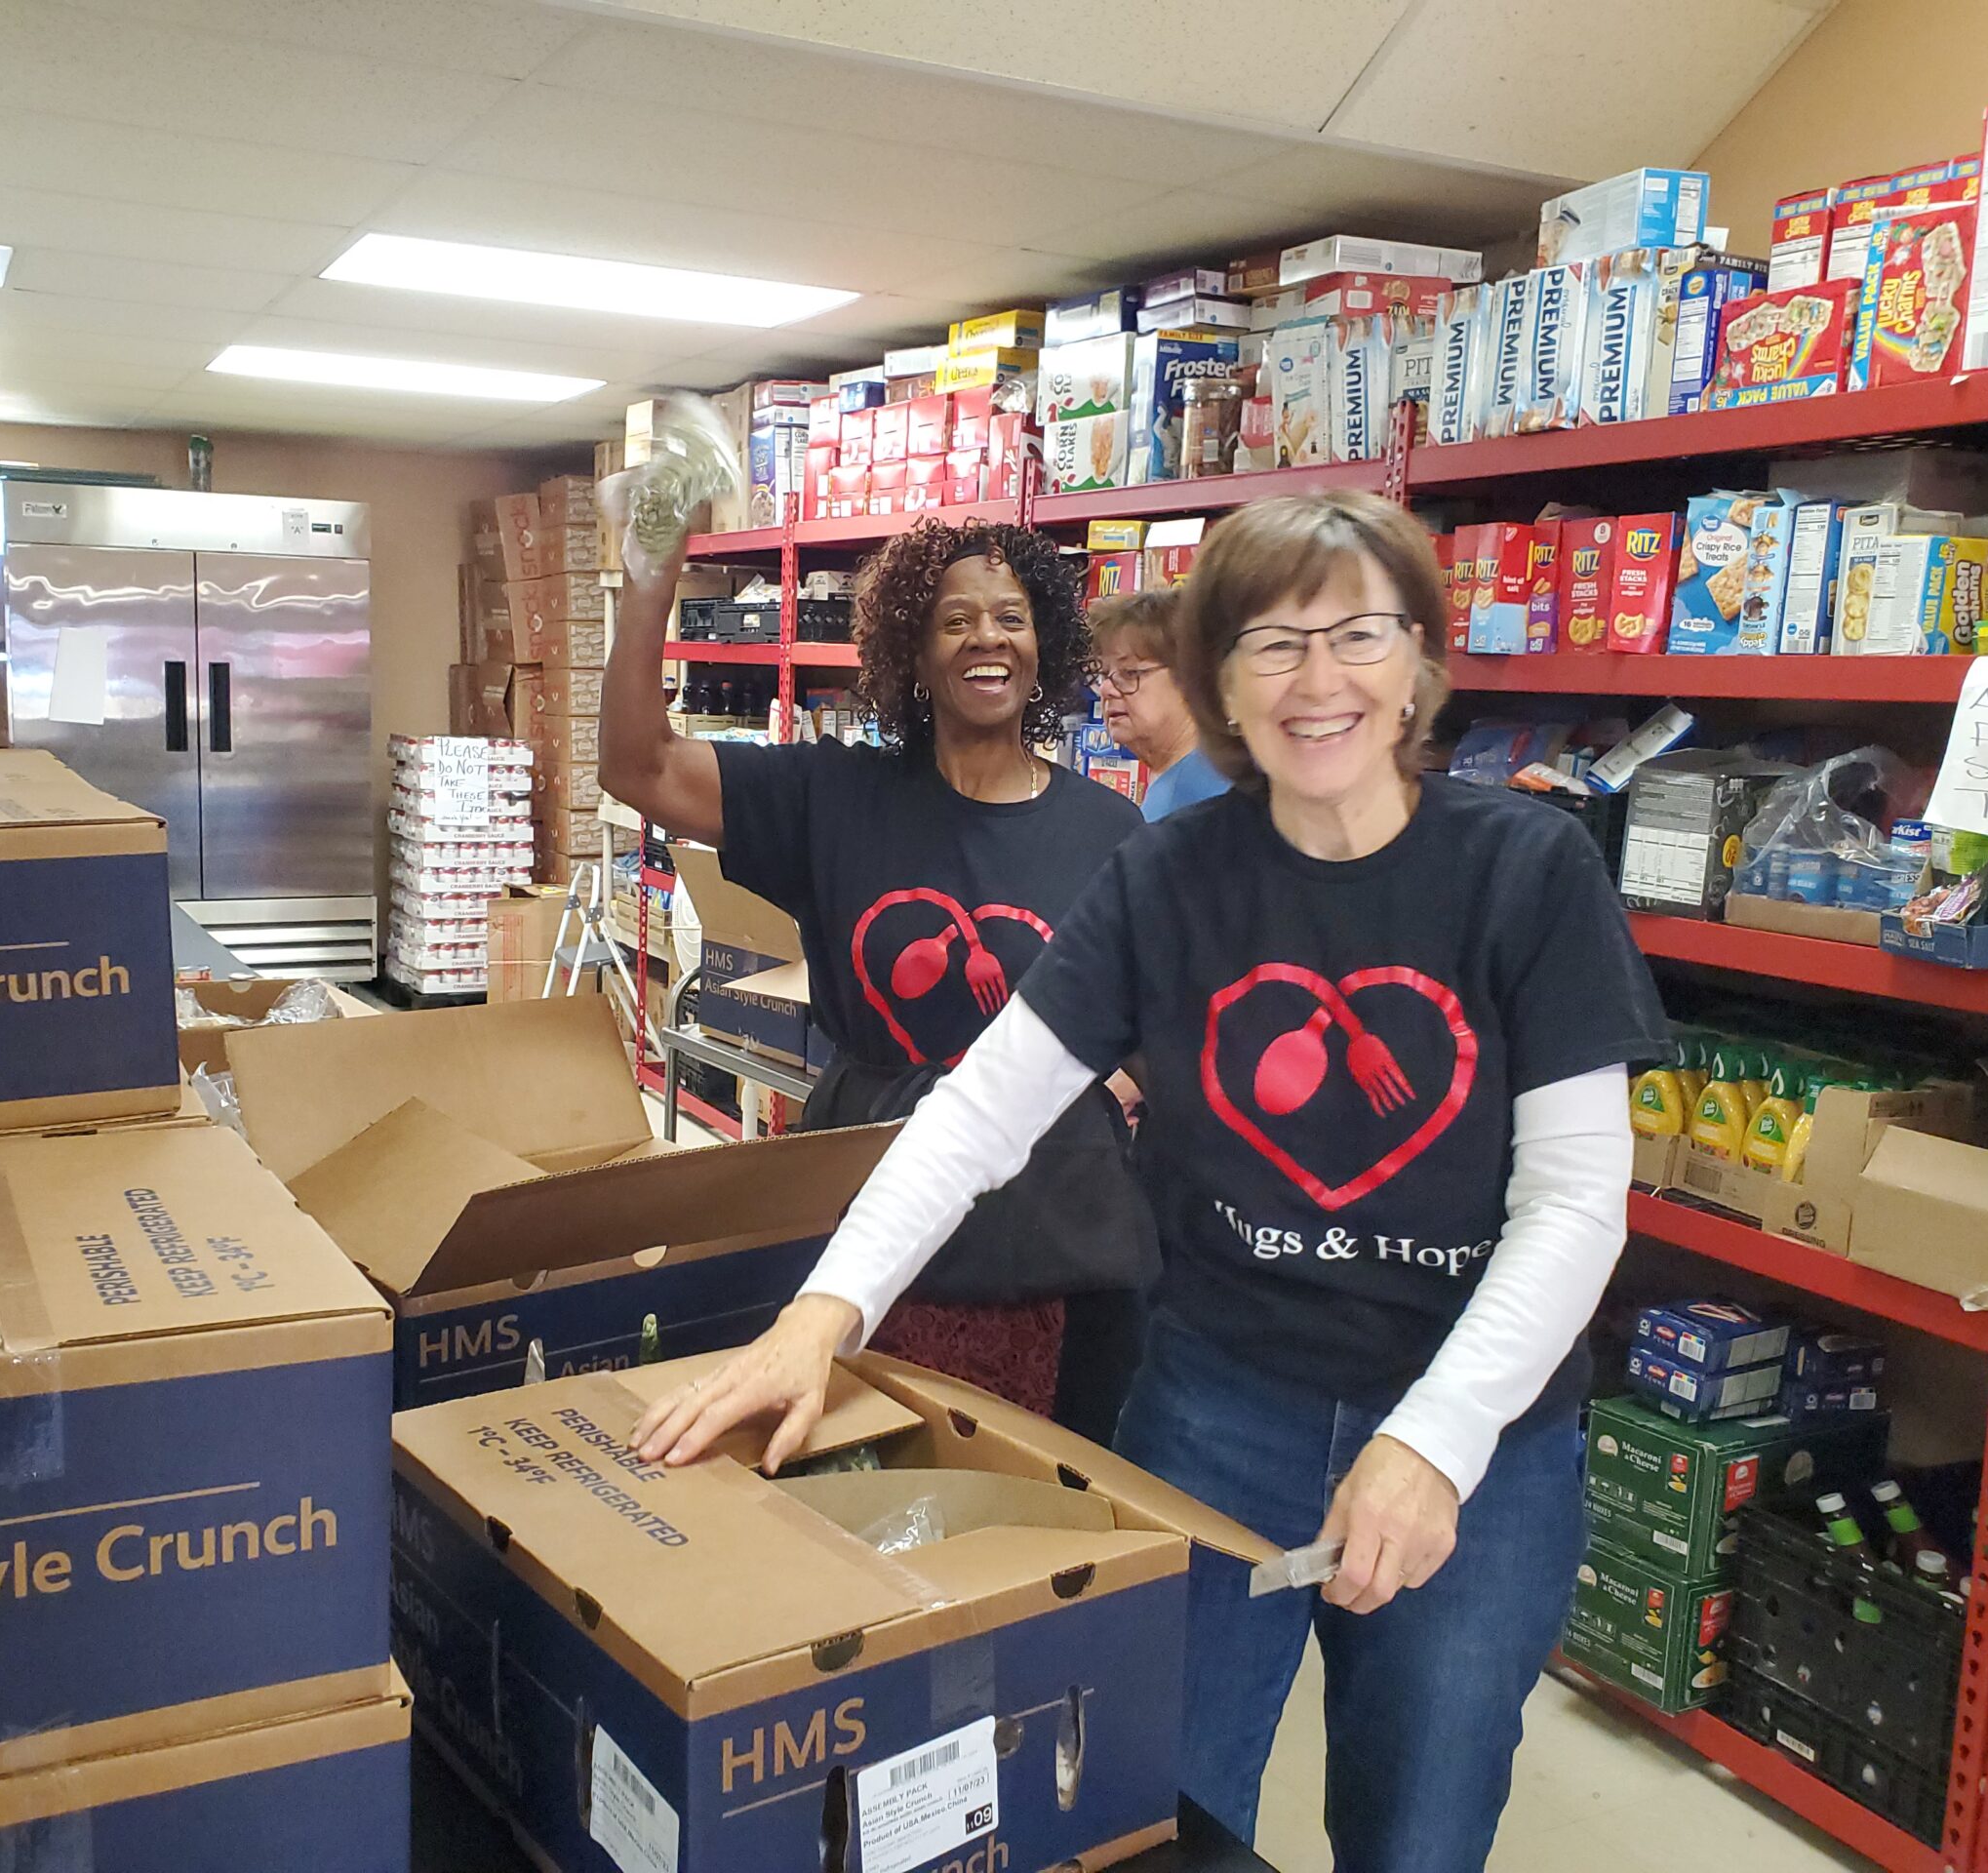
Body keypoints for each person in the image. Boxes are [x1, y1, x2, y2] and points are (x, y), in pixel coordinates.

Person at [634, 490, 1668, 1873]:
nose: (1317, 682)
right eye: (1269, 644)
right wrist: (818, 1320)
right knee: (1156, 1809)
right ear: (1220, 683)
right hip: (1221, 1409)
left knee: (1418, 1820)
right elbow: (976, 1115)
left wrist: (1436, 1442)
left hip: (1481, 1442)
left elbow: (1576, 1202)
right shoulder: (1166, 872)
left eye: (1356, 634)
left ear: (1420, 658)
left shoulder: (1525, 872)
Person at [596, 504, 1157, 1443]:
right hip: (864, 1211)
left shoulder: (1110, 831)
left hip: (1054, 1254)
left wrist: (1115, 1096)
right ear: (913, 651)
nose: (988, 638)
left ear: (1046, 643)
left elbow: (1148, 1028)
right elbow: (635, 763)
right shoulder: (833, 797)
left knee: (1038, 1517)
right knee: (858, 1486)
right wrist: (651, 581)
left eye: (1012, 617)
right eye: (956, 619)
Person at [1091, 587, 1229, 821]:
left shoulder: (1203, 798)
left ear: (1190, 678)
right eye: (1104, 675)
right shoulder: (1179, 780)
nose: (1106, 689)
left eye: (1130, 673)